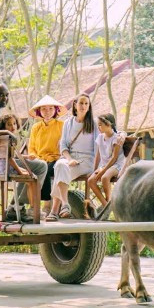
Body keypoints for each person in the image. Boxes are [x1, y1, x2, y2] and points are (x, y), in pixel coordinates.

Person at [0, 81, 47, 222]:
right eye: (0, 95)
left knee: (32, 166)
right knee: (40, 166)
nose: (4, 98)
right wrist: (6, 132)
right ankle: (17, 207)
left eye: (6, 95)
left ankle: (15, 207)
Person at [46, 94, 99, 222]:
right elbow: (63, 145)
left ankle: (54, 210)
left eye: (86, 104)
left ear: (89, 106)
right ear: (75, 105)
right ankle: (65, 204)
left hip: (87, 160)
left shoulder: (94, 124)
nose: (83, 106)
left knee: (60, 170)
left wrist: (97, 167)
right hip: (69, 158)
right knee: (60, 165)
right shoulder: (68, 123)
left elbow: (99, 146)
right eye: (81, 103)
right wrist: (69, 159)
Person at [26, 95, 65, 216]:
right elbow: (31, 147)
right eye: (44, 109)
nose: (47, 112)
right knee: (34, 169)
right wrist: (33, 156)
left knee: (45, 169)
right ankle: (29, 205)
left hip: (56, 158)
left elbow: (65, 144)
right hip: (39, 159)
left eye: (50, 109)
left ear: (55, 110)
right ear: (39, 111)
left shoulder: (61, 125)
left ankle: (46, 204)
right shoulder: (35, 127)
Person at [88, 113, 125, 207]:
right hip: (105, 165)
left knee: (104, 177)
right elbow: (98, 155)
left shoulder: (116, 138)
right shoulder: (100, 137)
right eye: (98, 125)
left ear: (108, 124)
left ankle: (109, 200)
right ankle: (106, 205)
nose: (98, 127)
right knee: (91, 180)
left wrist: (102, 172)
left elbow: (114, 158)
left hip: (116, 165)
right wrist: (95, 170)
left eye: (100, 125)